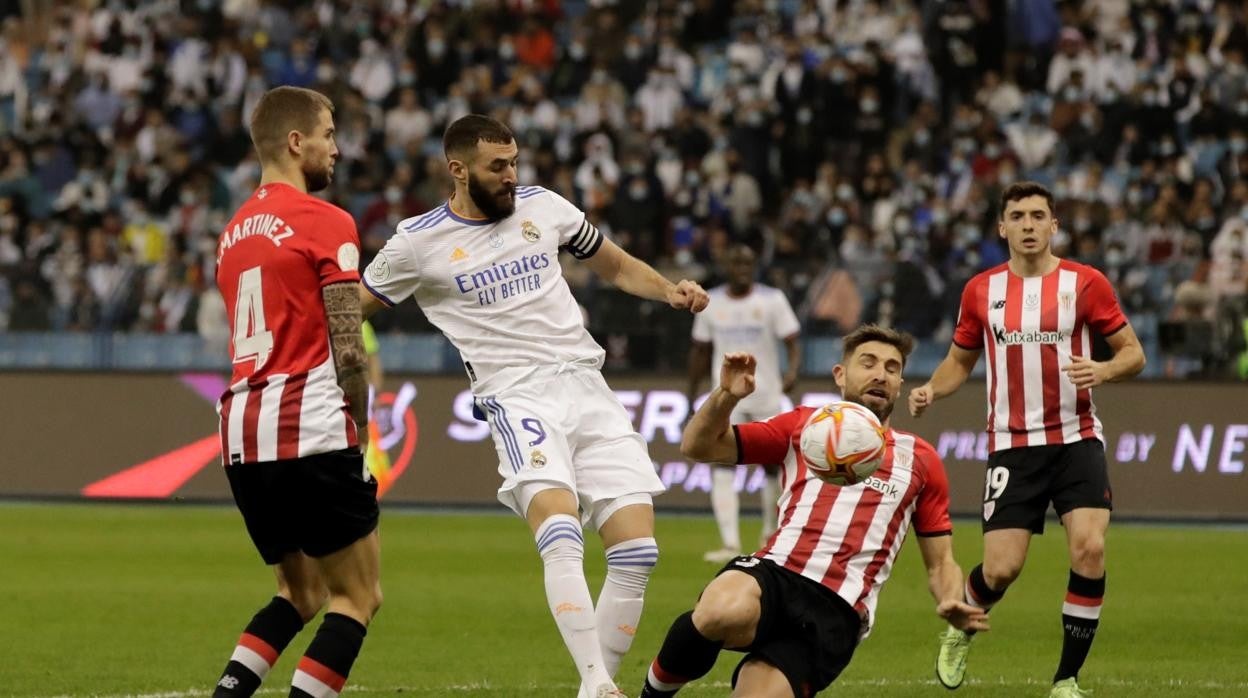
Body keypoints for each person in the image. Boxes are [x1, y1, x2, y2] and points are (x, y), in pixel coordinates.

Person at [359, 114, 709, 698]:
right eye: (497, 166)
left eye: (514, 162)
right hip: (515, 393)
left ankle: (593, 691)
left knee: (638, 551)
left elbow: (615, 265)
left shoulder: (544, 206)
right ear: (457, 169)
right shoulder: (417, 243)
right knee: (561, 529)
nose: (511, 175)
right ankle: (597, 683)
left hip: (587, 385)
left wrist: (668, 288)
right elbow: (351, 307)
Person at [641, 325, 988, 698]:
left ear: (900, 384)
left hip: (836, 612)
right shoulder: (804, 427)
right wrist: (725, 396)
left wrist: (950, 598)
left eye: (891, 368)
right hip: (776, 573)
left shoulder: (920, 459)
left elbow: (940, 563)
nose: (879, 375)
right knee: (720, 610)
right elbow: (698, 447)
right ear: (840, 375)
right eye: (867, 363)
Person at [909, 181, 1146, 698]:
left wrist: (1102, 372)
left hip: (1076, 438)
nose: (1029, 225)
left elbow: (1133, 353)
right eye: (1018, 216)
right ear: (1002, 227)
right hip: (1012, 444)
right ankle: (960, 627)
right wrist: (930, 389)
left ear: (1054, 225)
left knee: (1089, 549)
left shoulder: (1086, 283)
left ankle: (1067, 679)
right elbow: (958, 362)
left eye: (1039, 216)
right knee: (1001, 569)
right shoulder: (980, 291)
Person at [210, 86, 382, 698]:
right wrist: (358, 429)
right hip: (309, 427)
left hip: (242, 436)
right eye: (329, 134)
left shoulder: (231, 235)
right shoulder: (326, 220)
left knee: (299, 592)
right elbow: (347, 341)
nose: (337, 148)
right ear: (295, 141)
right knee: (357, 597)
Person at [687, 244, 800, 563]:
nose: (741, 267)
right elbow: (699, 351)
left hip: (766, 393)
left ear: (755, 266)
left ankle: (769, 534)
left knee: (772, 465)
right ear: (725, 264)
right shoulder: (711, 302)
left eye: (747, 262)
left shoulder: (772, 300)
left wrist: (792, 371)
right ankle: (729, 542)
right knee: (721, 463)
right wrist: (691, 391)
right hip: (726, 396)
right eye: (735, 260)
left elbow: (792, 342)